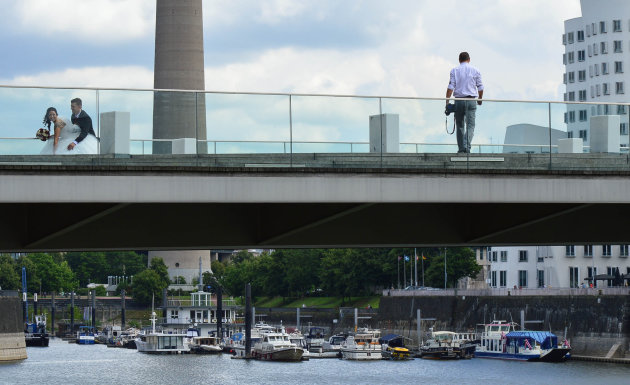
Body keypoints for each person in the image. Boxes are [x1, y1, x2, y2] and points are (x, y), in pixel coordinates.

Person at [445, 52, 484, 154]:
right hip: (471, 101)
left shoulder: (454, 70)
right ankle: (467, 146)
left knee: (460, 125)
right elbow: (480, 87)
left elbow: (450, 87)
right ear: (469, 59)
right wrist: (479, 99)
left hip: (459, 101)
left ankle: (462, 149)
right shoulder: (476, 70)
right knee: (471, 125)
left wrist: (447, 102)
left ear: (459, 60)